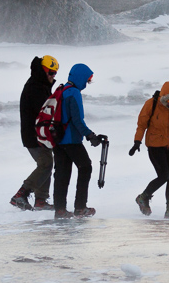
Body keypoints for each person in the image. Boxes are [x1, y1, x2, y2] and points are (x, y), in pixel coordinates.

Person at [130, 80, 169, 219]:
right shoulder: (151, 104)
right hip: (155, 146)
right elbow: (141, 125)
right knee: (164, 175)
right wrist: (136, 142)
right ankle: (143, 197)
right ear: (163, 96)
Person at [54, 63, 106, 219]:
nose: (87, 83)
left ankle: (60, 210)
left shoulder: (62, 90)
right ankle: (80, 207)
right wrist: (90, 135)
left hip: (58, 140)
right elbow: (77, 120)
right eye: (87, 79)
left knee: (62, 174)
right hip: (71, 140)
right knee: (85, 168)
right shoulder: (74, 93)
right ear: (81, 77)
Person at [10, 54, 58, 210]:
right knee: (45, 164)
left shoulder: (40, 85)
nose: (53, 76)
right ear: (43, 71)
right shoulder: (35, 87)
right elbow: (44, 112)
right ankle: (21, 194)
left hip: (38, 134)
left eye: (54, 73)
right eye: (51, 72)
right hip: (34, 135)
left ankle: (41, 201)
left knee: (46, 164)